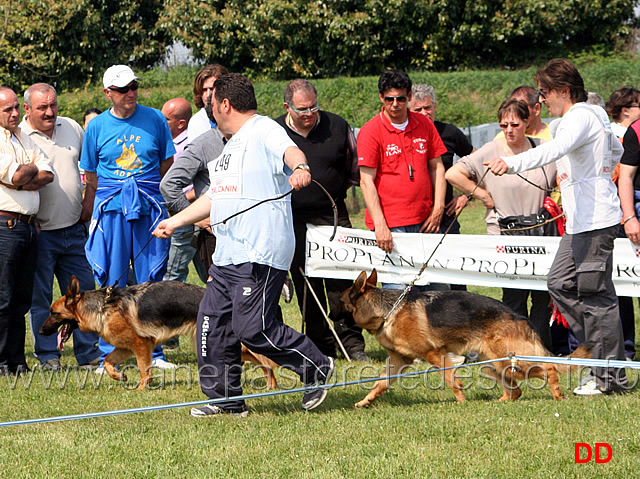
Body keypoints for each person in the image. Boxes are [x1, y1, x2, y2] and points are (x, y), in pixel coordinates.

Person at [153, 73, 334, 417]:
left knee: (253, 329)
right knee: (210, 326)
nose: (211, 112)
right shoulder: (229, 147)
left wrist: (301, 167)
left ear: (225, 104)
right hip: (227, 255)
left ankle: (316, 365)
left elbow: (291, 150)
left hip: (260, 252)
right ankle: (226, 402)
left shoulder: (264, 128)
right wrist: (175, 221)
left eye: (212, 105)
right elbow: (214, 198)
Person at [484, 58, 628, 396]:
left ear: (564, 90)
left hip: (595, 221)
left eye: (546, 92)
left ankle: (611, 378)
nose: (542, 98)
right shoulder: (589, 117)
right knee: (559, 283)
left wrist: (512, 162)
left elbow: (555, 150)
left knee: (596, 297)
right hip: (580, 221)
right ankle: (600, 356)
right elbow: (617, 148)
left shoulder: (580, 116)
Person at [81, 65, 176, 371]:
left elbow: (167, 164)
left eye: (134, 86)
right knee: (111, 280)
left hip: (148, 208)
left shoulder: (155, 119)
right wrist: (91, 206)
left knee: (152, 281)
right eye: (123, 89)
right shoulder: (96, 127)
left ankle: (155, 353)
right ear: (108, 93)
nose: (130, 93)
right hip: (111, 210)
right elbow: (91, 175)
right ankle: (109, 349)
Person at [446, 98, 556, 350]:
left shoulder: (543, 149)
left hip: (540, 233)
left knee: (542, 298)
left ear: (527, 122)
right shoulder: (490, 150)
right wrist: (482, 195)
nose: (509, 130)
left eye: (515, 124)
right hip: (505, 233)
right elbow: (453, 174)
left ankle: (542, 352)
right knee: (513, 298)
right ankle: (515, 351)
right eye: (503, 124)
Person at [274, 79, 368, 361]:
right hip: (293, 219)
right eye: (302, 109)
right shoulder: (274, 131)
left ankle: (351, 343)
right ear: (287, 107)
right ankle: (321, 344)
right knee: (306, 284)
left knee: (342, 280)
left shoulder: (337, 126)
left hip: (333, 214)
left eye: (313, 107)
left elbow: (353, 167)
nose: (309, 113)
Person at [20, 83, 100, 371]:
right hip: (40, 232)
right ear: (27, 109)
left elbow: (90, 169)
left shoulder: (71, 128)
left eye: (53, 105)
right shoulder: (18, 136)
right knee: (41, 297)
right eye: (42, 107)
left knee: (84, 295)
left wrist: (88, 203)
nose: (50, 112)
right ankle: (48, 356)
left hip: (74, 229)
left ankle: (88, 354)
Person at [357, 70, 447, 289]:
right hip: (392, 227)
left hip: (426, 222)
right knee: (398, 297)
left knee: (436, 294)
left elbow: (438, 167)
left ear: (409, 97)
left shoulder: (424, 124)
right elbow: (366, 181)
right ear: (381, 98)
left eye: (401, 99)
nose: (395, 104)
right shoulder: (370, 131)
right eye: (390, 99)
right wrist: (380, 225)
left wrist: (438, 208)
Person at [0, 86, 54, 374]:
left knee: (21, 298)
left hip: (28, 227)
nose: (15, 113)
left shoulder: (21, 136)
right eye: (7, 109)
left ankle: (17, 361)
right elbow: (21, 174)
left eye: (15, 108)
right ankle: (1, 361)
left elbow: (47, 173)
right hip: (5, 225)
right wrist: (25, 173)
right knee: (3, 298)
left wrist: (21, 177)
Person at [160, 97, 203, 284]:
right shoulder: (169, 143)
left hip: (187, 215)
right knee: (207, 272)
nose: (161, 122)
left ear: (181, 123)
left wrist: (176, 198)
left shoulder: (189, 147)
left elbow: (199, 187)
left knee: (172, 275)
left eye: (166, 119)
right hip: (181, 215)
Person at [610, 87, 640, 361]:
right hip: (630, 216)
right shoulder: (631, 132)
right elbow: (625, 178)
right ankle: (627, 348)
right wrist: (629, 216)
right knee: (626, 283)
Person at [187, 64, 228, 144]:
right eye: (204, 90)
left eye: (212, 89)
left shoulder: (236, 116)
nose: (208, 94)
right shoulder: (198, 122)